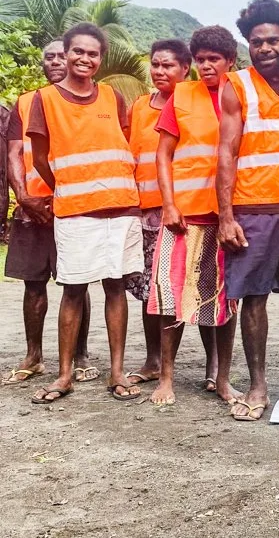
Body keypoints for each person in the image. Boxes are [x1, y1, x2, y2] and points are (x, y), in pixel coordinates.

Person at [27, 23, 144, 403]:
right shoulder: (45, 99)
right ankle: (64, 375)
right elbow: (42, 158)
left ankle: (116, 372)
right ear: (67, 52)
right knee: (73, 289)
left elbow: (124, 144)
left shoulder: (112, 96)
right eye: (78, 51)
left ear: (100, 59)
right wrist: (66, 184)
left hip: (121, 205)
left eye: (93, 54)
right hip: (75, 209)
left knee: (115, 287)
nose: (85, 59)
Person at [218, 0, 279, 422]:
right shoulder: (238, 85)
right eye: (256, 42)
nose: (265, 48)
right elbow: (227, 153)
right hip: (254, 209)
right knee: (254, 300)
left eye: (272, 40)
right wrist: (227, 216)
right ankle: (258, 384)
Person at [148, 26, 239, 405]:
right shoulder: (182, 95)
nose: (205, 66)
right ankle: (166, 379)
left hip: (227, 216)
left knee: (223, 301)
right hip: (183, 216)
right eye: (199, 59)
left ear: (230, 61)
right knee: (171, 298)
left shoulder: (242, 94)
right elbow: (163, 154)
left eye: (212, 59)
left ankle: (221, 379)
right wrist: (168, 204)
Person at [3, 41, 96, 386]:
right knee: (33, 284)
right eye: (50, 57)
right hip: (33, 210)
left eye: (62, 55)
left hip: (72, 206)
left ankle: (81, 354)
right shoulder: (26, 102)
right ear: (43, 63)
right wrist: (24, 197)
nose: (56, 61)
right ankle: (34, 355)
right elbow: (14, 153)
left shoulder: (87, 101)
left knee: (77, 283)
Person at [125, 39, 191, 388]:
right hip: (142, 211)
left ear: (185, 69)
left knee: (179, 287)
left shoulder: (193, 104)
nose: (160, 71)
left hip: (181, 211)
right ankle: (153, 361)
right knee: (149, 289)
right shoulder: (138, 106)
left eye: (168, 65)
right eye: (156, 64)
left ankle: (211, 368)